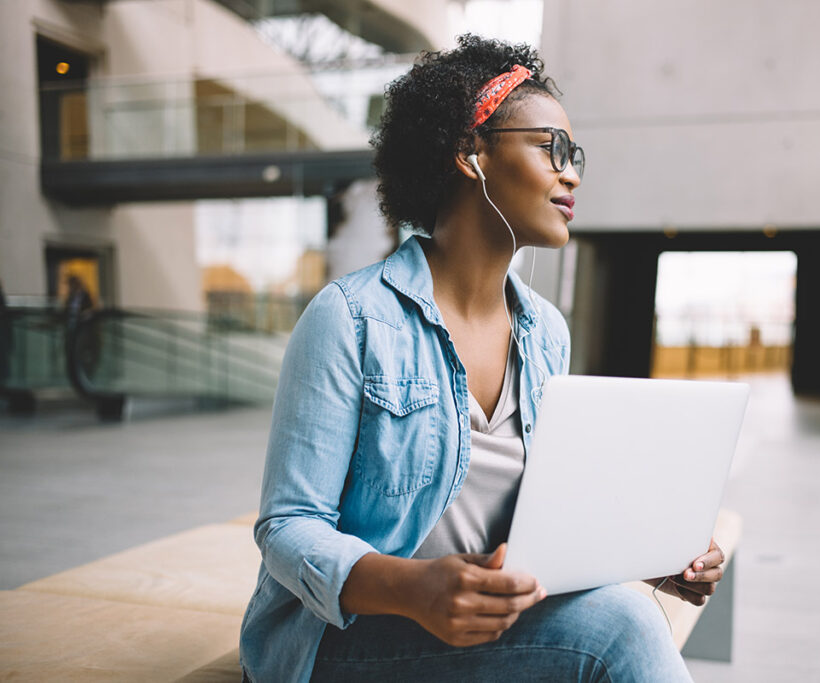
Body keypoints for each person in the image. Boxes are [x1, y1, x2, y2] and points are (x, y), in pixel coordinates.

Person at [239, 35, 724, 682]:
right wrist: (414, 588)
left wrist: (649, 551)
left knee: (626, 613)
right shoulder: (350, 319)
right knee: (624, 630)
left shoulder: (545, 331)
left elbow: (548, 516)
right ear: (471, 154)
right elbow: (288, 526)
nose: (571, 172)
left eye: (575, 154)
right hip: (339, 641)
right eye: (552, 147)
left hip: (482, 630)